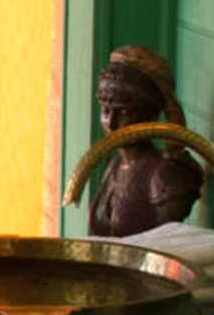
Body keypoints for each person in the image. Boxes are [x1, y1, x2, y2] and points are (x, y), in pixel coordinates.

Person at [86, 43, 206, 236]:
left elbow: (163, 246)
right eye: (105, 110)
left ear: (150, 113)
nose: (111, 122)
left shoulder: (164, 176)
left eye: (124, 111)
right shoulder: (116, 166)